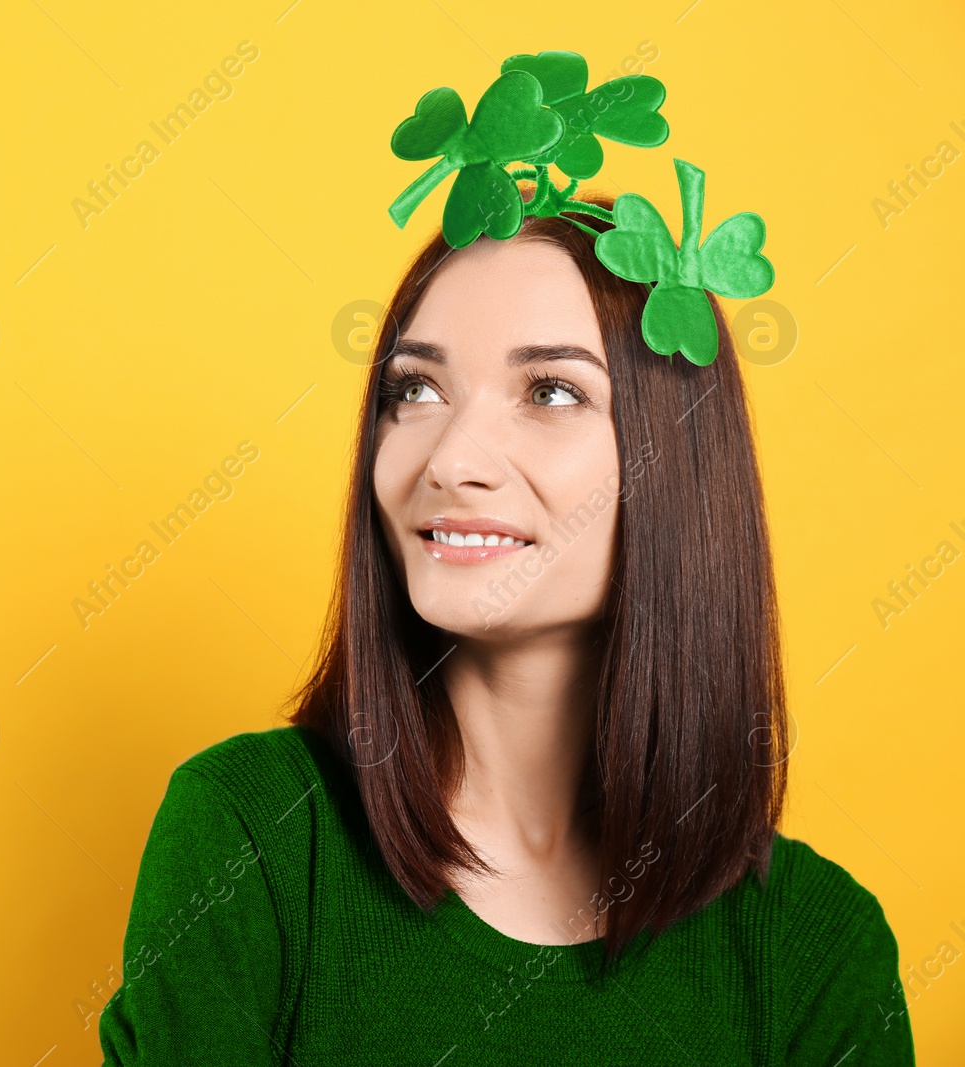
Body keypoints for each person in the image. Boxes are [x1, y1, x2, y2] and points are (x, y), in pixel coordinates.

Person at [95, 192, 916, 1064]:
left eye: (552, 391)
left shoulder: (816, 949)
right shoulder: (250, 837)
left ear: (674, 461)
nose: (449, 459)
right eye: (416, 388)